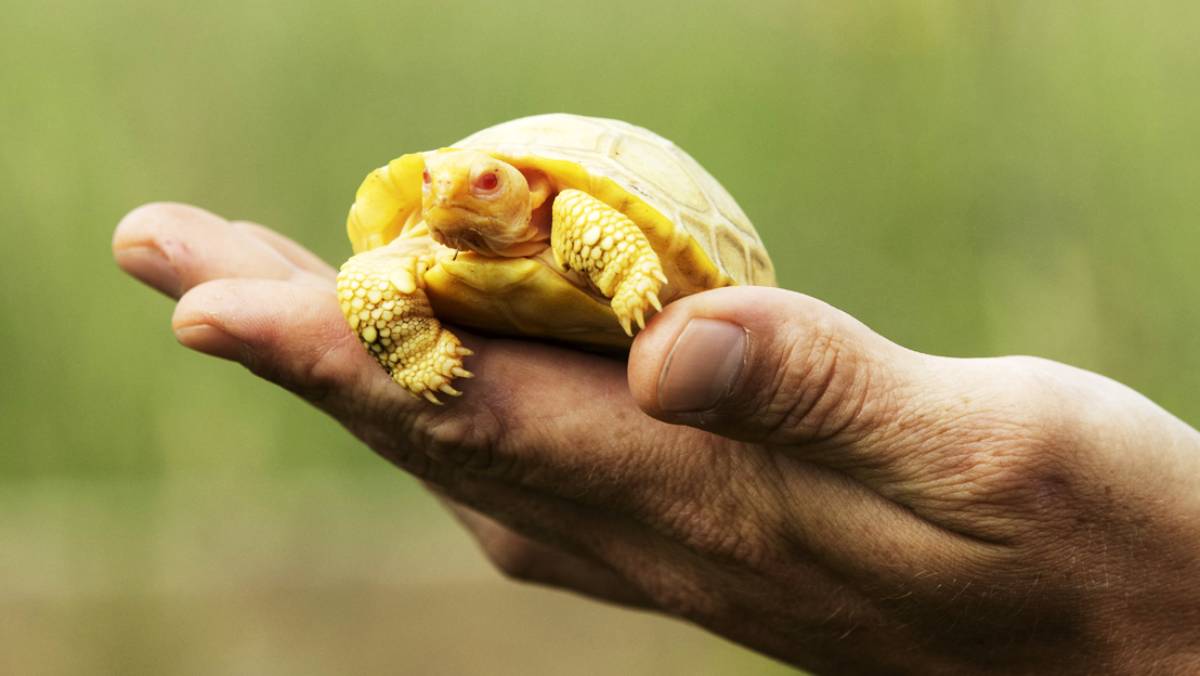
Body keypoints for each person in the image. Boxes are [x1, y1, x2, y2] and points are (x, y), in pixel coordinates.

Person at [113, 203, 1200, 674]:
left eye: (483, 188)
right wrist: (405, 341)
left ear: (527, 202)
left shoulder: (575, 221)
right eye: (443, 189)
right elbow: (372, 280)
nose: (454, 200)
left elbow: (603, 230)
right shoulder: (430, 241)